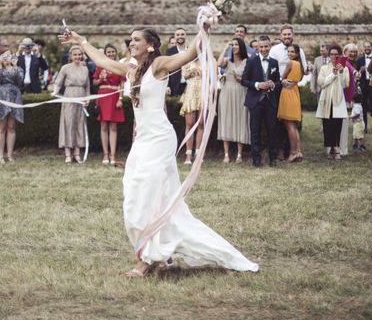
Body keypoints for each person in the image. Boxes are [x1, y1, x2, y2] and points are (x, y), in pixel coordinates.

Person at [58, 26, 258, 277]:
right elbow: (101, 60)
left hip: (161, 139)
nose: (131, 44)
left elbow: (188, 55)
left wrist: (203, 28)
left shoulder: (159, 65)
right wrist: (80, 40)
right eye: (130, 40)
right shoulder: (129, 69)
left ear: (150, 45)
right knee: (135, 194)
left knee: (148, 198)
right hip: (142, 140)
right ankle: (161, 255)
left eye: (136, 40)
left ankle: (146, 259)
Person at [241, 35, 280, 167]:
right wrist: (258, 85)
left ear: (270, 46)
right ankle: (256, 159)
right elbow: (244, 80)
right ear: (257, 47)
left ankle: (273, 158)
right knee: (255, 130)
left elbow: (278, 81)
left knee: (272, 130)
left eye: (266, 46)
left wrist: (273, 84)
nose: (263, 49)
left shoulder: (274, 62)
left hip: (270, 101)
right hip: (255, 101)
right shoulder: (251, 61)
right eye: (261, 47)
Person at [52, 46, 90, 163]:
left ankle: (77, 153)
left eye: (79, 54)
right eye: (75, 55)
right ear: (70, 56)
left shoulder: (85, 69)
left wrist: (87, 98)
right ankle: (68, 153)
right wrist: (55, 92)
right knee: (68, 123)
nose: (77, 57)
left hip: (81, 96)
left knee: (79, 124)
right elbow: (58, 83)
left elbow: (87, 86)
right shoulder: (65, 68)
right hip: (69, 96)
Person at [217, 38, 250, 163]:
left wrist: (240, 79)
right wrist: (226, 47)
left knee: (240, 120)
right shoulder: (228, 61)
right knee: (227, 120)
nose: (235, 46)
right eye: (233, 44)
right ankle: (226, 154)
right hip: (227, 92)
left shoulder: (247, 61)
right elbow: (219, 63)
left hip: (241, 91)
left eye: (237, 44)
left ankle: (239, 154)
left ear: (241, 47)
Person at [92, 44, 125, 165]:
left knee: (113, 127)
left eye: (113, 52)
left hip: (115, 95)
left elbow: (122, 84)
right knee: (104, 126)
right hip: (103, 96)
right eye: (108, 52)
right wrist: (100, 78)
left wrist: (120, 99)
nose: (111, 54)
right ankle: (105, 154)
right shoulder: (100, 66)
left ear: (116, 53)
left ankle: (113, 155)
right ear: (105, 54)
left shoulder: (120, 67)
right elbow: (94, 83)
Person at [315, 44, 349, 159]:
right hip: (326, 100)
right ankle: (331, 149)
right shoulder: (324, 68)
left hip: (338, 100)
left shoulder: (344, 69)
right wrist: (333, 74)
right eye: (332, 54)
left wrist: (340, 72)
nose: (334, 56)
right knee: (327, 125)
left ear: (339, 55)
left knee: (337, 125)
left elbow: (345, 84)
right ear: (329, 55)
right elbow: (322, 83)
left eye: (336, 54)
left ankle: (337, 148)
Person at [0, 51, 24, 164]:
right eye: (3, 56)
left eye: (7, 56)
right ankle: (1, 156)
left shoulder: (18, 69)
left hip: (15, 97)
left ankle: (10, 155)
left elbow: (20, 81)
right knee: (1, 128)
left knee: (11, 127)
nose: (5, 58)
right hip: (1, 96)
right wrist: (0, 65)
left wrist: (14, 66)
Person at [277, 44, 303, 162]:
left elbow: (281, 77)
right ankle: (298, 151)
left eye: (292, 52)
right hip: (295, 92)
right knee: (293, 125)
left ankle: (293, 152)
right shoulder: (300, 65)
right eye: (288, 51)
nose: (290, 54)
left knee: (289, 125)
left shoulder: (290, 63)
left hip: (288, 92)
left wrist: (281, 79)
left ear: (297, 54)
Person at [179, 59, 204, 164]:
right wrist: (191, 72)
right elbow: (184, 75)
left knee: (201, 124)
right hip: (191, 92)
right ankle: (188, 155)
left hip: (203, 92)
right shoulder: (188, 61)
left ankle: (198, 154)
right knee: (189, 124)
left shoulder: (208, 61)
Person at [339, 43, 360, 156]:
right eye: (350, 51)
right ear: (345, 52)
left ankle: (343, 147)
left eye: (354, 52)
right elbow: (350, 68)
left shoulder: (351, 63)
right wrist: (356, 72)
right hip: (342, 96)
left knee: (344, 123)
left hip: (348, 96)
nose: (352, 54)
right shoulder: (344, 61)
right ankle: (342, 148)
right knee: (343, 123)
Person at [356, 41, 372, 132]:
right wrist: (360, 70)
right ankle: (364, 126)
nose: (367, 48)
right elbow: (356, 74)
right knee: (363, 106)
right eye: (365, 46)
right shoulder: (360, 60)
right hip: (364, 84)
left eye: (368, 46)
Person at [166, 28, 187, 96]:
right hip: (174, 86)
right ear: (175, 37)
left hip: (189, 85)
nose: (180, 36)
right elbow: (166, 70)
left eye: (182, 34)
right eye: (178, 35)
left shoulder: (190, 51)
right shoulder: (170, 51)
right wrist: (167, 85)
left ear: (185, 36)